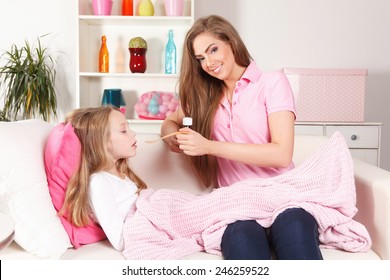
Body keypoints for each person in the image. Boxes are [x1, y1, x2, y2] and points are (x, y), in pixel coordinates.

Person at [161, 15, 323, 260]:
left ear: (231, 42)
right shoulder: (203, 98)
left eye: (213, 50)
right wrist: (169, 137)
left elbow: (281, 155)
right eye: (201, 58)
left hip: (284, 196)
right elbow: (169, 121)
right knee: (241, 239)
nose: (209, 62)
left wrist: (209, 146)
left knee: (295, 228)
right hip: (236, 204)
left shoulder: (272, 83)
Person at [60, 106, 147, 251]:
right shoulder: (99, 183)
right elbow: (121, 241)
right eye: (124, 130)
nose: (133, 133)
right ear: (101, 142)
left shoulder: (122, 175)